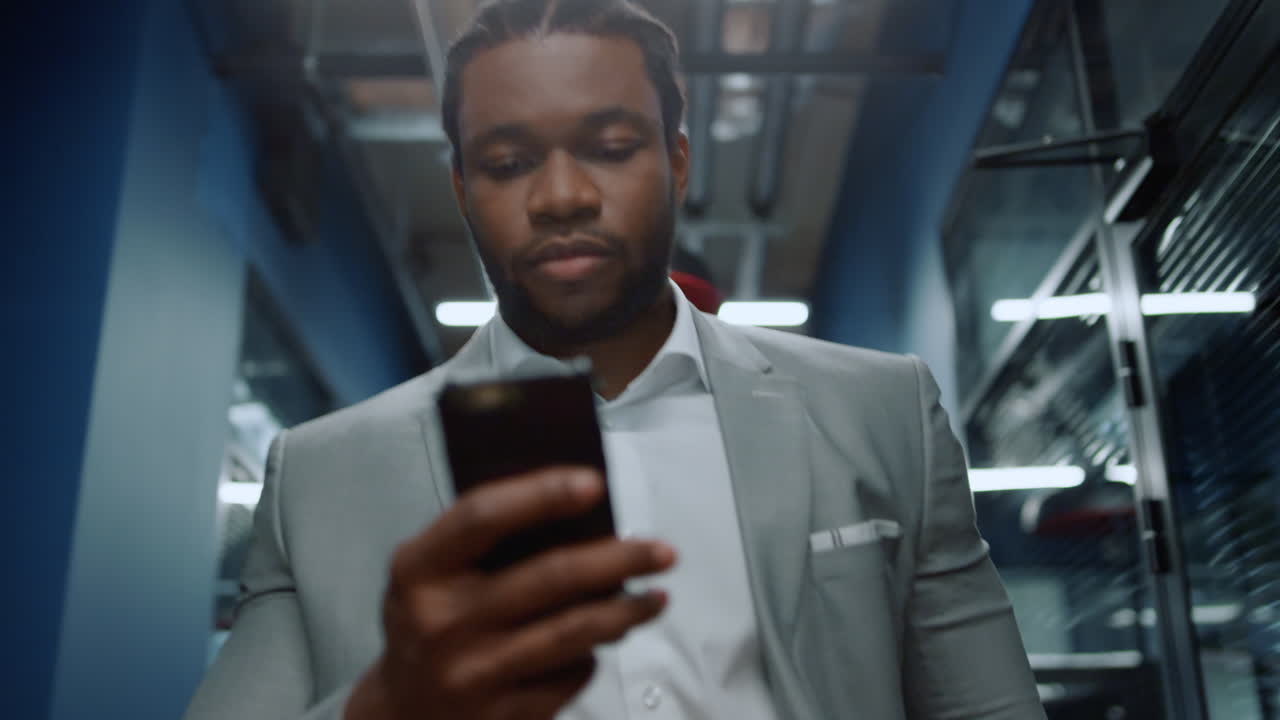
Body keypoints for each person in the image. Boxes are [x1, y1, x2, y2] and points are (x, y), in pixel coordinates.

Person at [184, 1, 1045, 718]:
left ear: (677, 162)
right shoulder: (321, 478)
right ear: (463, 191)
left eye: (610, 147)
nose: (562, 196)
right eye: (508, 162)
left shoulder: (881, 412)